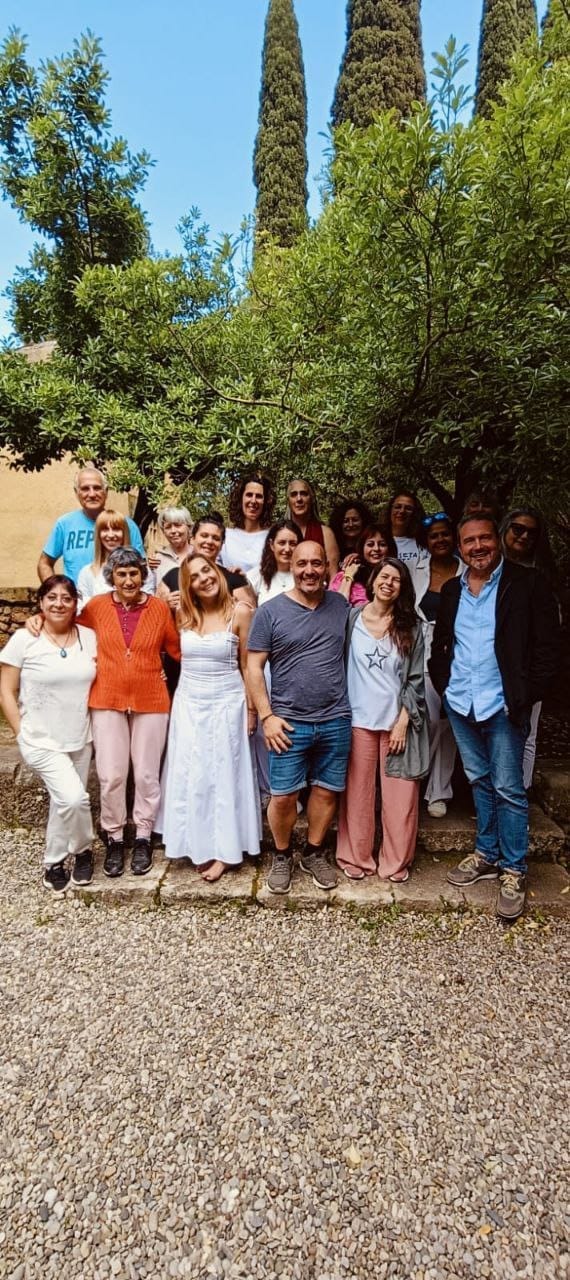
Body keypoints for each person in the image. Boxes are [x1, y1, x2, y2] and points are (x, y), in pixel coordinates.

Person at [429, 515, 560, 921]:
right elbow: (441, 643)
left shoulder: (528, 583)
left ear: (498, 540)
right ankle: (487, 853)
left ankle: (514, 870)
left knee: (508, 789)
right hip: (461, 703)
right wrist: (444, 686)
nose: (478, 546)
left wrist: (524, 695)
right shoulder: (452, 589)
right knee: (480, 780)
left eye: (484, 538)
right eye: (469, 541)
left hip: (503, 706)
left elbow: (548, 649)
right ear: (460, 547)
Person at [30, 549, 181, 877]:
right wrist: (39, 619)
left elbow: (177, 648)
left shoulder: (158, 608)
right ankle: (114, 837)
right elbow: (66, 627)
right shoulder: (96, 607)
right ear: (111, 576)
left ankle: (143, 835)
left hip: (151, 699)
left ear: (142, 575)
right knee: (112, 775)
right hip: (106, 698)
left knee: (146, 773)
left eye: (134, 573)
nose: (128, 580)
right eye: (121, 574)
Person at [248, 541, 352, 894]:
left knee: (326, 791)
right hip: (288, 722)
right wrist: (266, 716)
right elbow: (253, 667)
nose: (309, 570)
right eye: (302, 563)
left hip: (335, 718)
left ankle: (313, 851)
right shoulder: (270, 612)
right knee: (283, 796)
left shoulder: (340, 606)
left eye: (316, 563)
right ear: (290, 567)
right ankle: (281, 854)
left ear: (326, 568)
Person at [161, 557, 261, 880]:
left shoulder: (240, 612)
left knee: (224, 775)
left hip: (227, 703)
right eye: (194, 576)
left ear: (217, 572)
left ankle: (226, 851)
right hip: (189, 703)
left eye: (207, 570)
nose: (204, 578)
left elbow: (248, 666)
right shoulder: (183, 614)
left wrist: (251, 710)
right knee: (194, 773)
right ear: (187, 586)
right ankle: (195, 841)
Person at [0, 576, 97, 892]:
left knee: (63, 801)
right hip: (40, 738)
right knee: (73, 798)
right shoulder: (24, 638)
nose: (59, 603)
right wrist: (20, 732)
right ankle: (83, 849)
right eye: (52, 597)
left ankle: (54, 862)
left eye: (66, 598)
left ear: (75, 604)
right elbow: (6, 690)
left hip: (80, 736)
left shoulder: (88, 637)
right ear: (40, 602)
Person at [336, 560, 428, 883]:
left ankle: (395, 862)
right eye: (384, 576)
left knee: (401, 797)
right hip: (358, 721)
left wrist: (404, 720)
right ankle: (356, 856)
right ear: (373, 581)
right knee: (357, 795)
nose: (389, 583)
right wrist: (347, 577)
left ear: (403, 588)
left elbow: (415, 680)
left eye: (397, 579)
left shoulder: (410, 627)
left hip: (396, 724)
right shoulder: (351, 618)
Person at [500, 506, 559, 789]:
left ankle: (519, 794)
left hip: (527, 673)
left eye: (531, 533)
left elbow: (548, 638)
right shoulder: (487, 571)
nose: (524, 536)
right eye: (518, 529)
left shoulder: (540, 578)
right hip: (493, 668)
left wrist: (536, 683)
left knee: (526, 735)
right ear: (505, 529)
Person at [410, 513, 462, 818]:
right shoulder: (416, 570)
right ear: (425, 541)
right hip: (424, 654)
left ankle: (439, 792)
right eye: (434, 536)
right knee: (428, 721)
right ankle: (417, 782)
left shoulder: (467, 570)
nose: (440, 540)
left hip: (461, 656)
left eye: (445, 534)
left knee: (451, 724)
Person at [38, 464, 144, 584]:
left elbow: (141, 567)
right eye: (85, 489)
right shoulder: (65, 524)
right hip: (77, 596)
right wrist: (54, 590)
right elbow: (44, 563)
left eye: (97, 488)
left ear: (106, 491)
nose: (92, 494)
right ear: (76, 492)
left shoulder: (126, 525)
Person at [158, 513, 255, 612]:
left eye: (216, 538)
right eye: (204, 536)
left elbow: (251, 614)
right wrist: (165, 605)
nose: (209, 541)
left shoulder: (234, 578)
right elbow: (154, 611)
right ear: (192, 539)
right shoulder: (173, 576)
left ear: (221, 545)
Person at [76, 510, 147, 611]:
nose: (111, 535)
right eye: (105, 529)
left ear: (124, 533)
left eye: (116, 529)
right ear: (98, 535)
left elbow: (148, 605)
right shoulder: (87, 573)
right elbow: (83, 609)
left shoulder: (141, 568)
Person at [329, 523, 397, 605]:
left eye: (382, 544)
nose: (376, 548)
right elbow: (335, 606)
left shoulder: (395, 577)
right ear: (362, 548)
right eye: (370, 544)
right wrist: (348, 577)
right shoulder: (346, 574)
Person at [219, 474, 275, 574]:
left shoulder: (272, 539)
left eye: (259, 496)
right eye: (249, 495)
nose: (253, 501)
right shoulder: (224, 536)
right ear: (240, 498)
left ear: (266, 501)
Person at [285, 479, 340, 577]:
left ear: (311, 499)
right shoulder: (280, 533)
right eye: (294, 494)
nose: (299, 499)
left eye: (304, 494)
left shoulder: (325, 533)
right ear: (288, 500)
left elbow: (333, 577)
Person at [247, 519, 302, 603]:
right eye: (282, 543)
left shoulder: (305, 575)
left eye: (292, 544)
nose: (287, 549)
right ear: (272, 545)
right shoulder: (258, 575)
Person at [147, 506, 193, 585]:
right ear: (163, 531)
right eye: (168, 527)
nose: (173, 531)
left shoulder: (199, 554)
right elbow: (149, 588)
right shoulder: (157, 560)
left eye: (178, 525)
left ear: (188, 527)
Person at [385, 489, 426, 569]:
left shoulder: (422, 542)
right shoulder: (379, 541)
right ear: (390, 510)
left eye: (408, 508)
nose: (402, 511)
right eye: (397, 507)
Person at [329, 499, 375, 565]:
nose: (351, 524)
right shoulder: (333, 547)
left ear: (363, 521)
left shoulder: (372, 545)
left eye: (355, 520)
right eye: (346, 521)